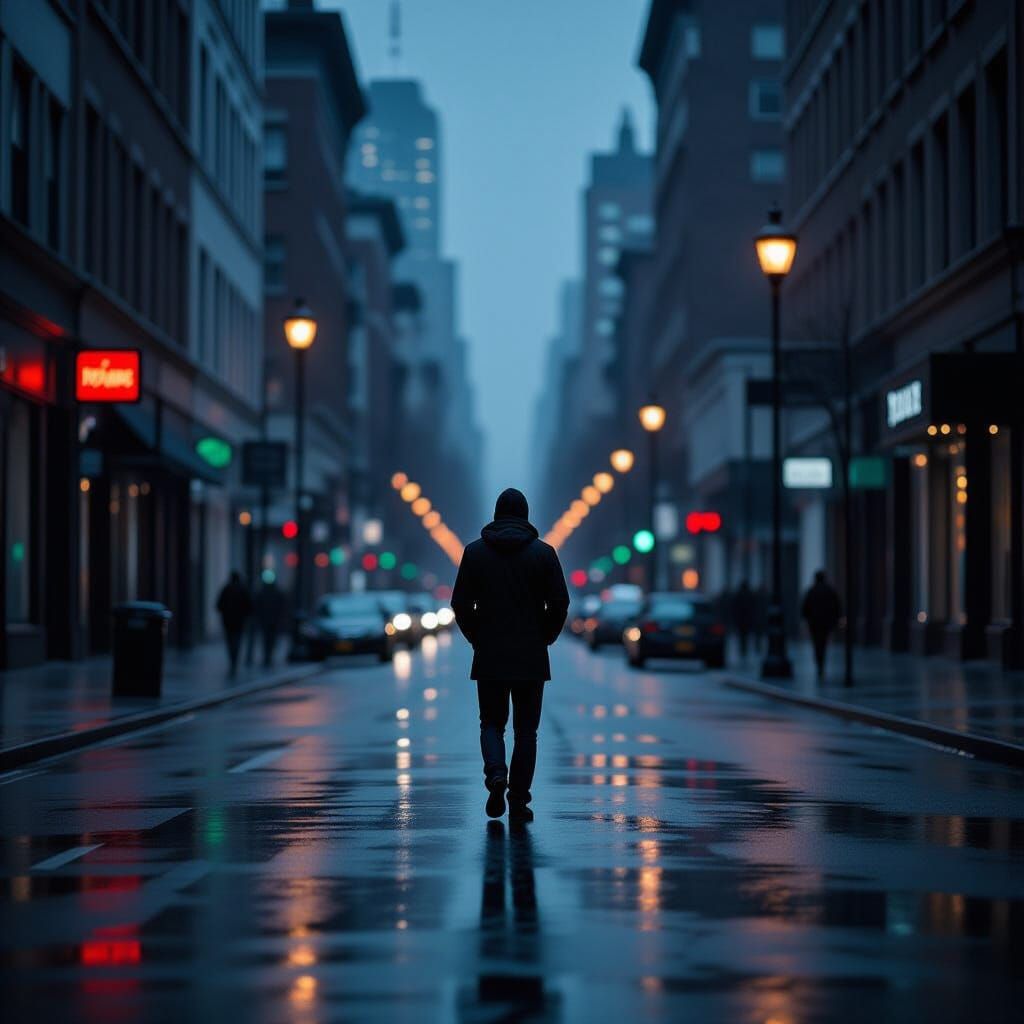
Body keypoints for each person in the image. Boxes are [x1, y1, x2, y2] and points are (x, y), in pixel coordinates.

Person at [452, 488, 569, 823]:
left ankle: (495, 774)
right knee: (526, 731)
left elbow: (460, 604)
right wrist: (545, 635)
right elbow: (560, 603)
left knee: (491, 723)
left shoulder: (474, 554)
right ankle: (519, 797)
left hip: (489, 654)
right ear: (526, 515)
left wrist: (478, 636)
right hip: (531, 656)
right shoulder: (544, 554)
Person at [801, 569, 842, 681]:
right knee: (823, 643)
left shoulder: (811, 591)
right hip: (826, 623)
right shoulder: (830, 591)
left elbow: (804, 609)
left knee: (817, 643)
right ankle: (821, 664)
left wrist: (806, 620)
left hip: (814, 623)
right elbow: (837, 607)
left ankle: (819, 663)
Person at [216, 571, 252, 678]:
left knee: (230, 641)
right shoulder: (243, 589)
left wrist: (225, 612)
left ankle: (232, 661)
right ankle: (234, 661)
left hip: (228, 621)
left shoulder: (226, 589)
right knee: (237, 641)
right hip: (239, 621)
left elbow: (218, 605)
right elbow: (249, 606)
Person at [253, 576, 287, 667]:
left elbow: (257, 606)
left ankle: (267, 657)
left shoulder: (263, 593)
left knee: (267, 640)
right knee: (271, 640)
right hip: (273, 621)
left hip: (266, 621)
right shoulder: (277, 593)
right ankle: (268, 657)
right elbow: (282, 607)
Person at [731, 580, 756, 658]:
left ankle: (742, 649)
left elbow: (735, 608)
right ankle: (744, 650)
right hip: (746, 619)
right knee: (745, 636)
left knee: (742, 636)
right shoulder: (749, 595)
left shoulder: (739, 595)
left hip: (741, 620)